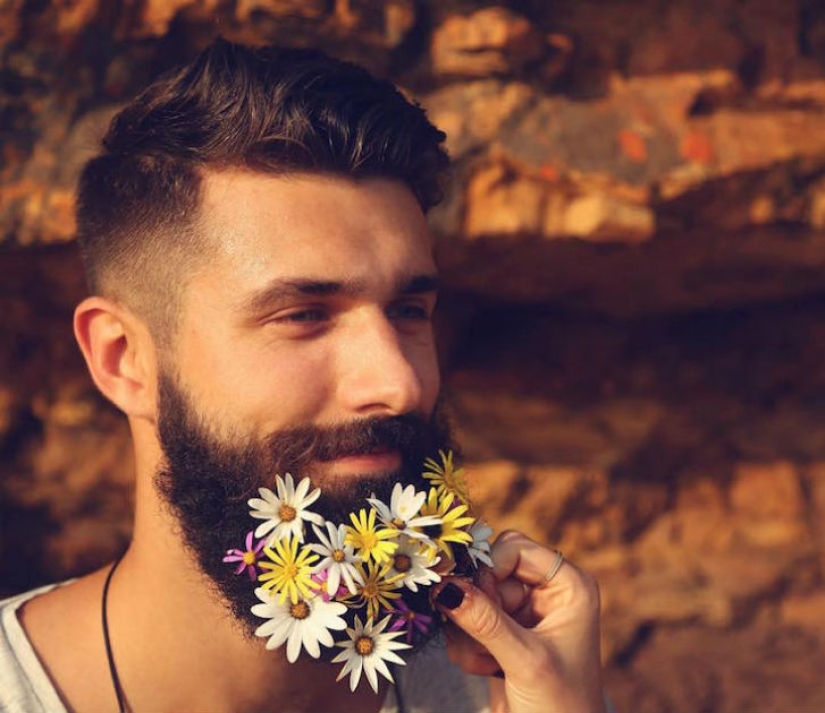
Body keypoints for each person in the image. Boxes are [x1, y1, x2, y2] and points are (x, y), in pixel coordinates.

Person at [0, 39, 605, 713]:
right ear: (123, 359)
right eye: (303, 315)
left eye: (408, 309)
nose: (399, 383)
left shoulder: (514, 686)